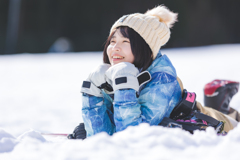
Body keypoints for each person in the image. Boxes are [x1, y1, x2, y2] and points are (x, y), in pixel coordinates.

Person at [68, 5, 239, 139]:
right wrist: (92, 94)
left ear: (145, 49)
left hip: (220, 124)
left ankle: (219, 97)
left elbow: (131, 137)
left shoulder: (162, 80)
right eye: (112, 41)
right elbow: (102, 137)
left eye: (125, 41)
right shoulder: (117, 73)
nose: (115, 48)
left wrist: (124, 84)